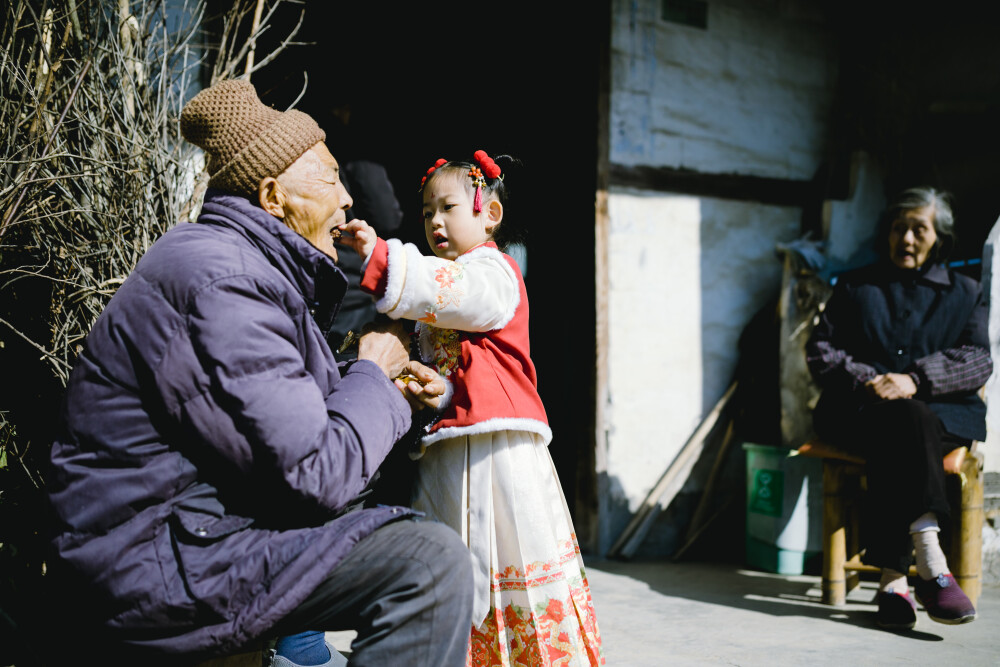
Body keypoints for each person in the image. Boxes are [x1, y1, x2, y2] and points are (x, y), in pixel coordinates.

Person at [44, 78, 473, 667]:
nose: (347, 198)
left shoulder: (234, 266)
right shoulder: (226, 283)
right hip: (152, 564)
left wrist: (381, 384)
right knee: (427, 566)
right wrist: (373, 372)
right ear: (273, 197)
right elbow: (317, 469)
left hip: (184, 539)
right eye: (328, 177)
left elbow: (285, 421)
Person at [344, 150, 605, 665]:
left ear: (490, 214)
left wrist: (384, 256)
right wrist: (436, 391)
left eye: (447, 207)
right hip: (449, 452)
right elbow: (462, 374)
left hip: (498, 455)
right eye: (425, 212)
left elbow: (461, 296)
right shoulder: (446, 282)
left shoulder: (493, 273)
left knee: (506, 554)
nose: (434, 221)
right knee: (453, 563)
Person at [805, 186, 991, 630]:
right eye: (898, 228)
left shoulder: (966, 292)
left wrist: (914, 380)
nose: (906, 239)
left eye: (918, 229)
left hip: (941, 416)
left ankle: (893, 581)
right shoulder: (856, 286)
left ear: (939, 238)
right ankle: (929, 564)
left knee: (912, 419)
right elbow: (820, 349)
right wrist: (868, 381)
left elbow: (978, 359)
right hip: (861, 414)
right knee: (906, 423)